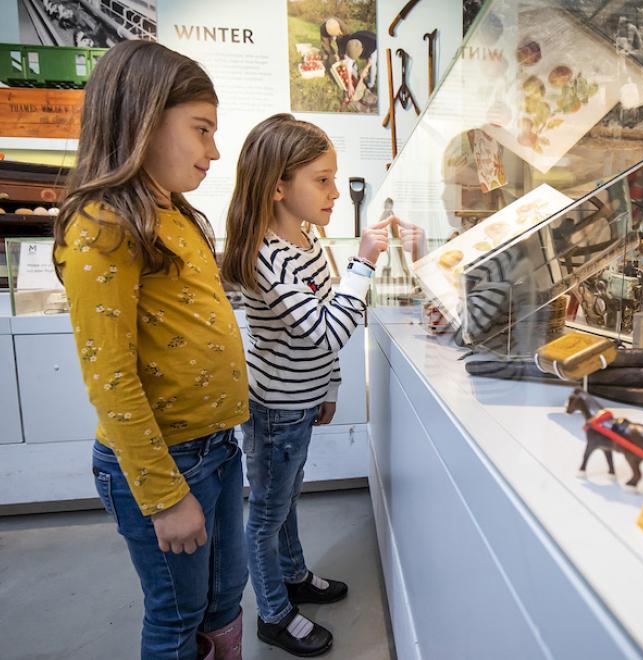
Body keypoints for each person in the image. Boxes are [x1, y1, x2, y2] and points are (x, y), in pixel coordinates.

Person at [52, 40, 249, 660]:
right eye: (201, 130)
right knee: (177, 613)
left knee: (224, 596)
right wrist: (164, 497)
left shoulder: (181, 216)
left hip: (217, 447)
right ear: (141, 118)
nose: (214, 151)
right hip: (163, 464)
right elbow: (110, 378)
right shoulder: (103, 226)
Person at [222, 114, 390, 657]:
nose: (336, 191)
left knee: (286, 498)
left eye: (334, 178)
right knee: (268, 513)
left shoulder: (308, 239)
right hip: (274, 408)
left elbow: (324, 320)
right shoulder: (267, 257)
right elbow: (325, 330)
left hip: (301, 401)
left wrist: (330, 387)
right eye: (322, 179)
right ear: (278, 186)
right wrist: (364, 263)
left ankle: (293, 577)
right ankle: (273, 611)